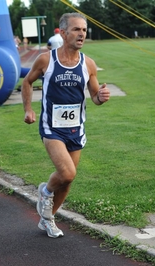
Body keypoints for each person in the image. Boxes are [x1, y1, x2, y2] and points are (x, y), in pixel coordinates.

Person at [21, 13, 110, 238]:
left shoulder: (88, 64)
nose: (82, 34)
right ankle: (45, 190)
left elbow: (95, 97)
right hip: (51, 127)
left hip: (76, 128)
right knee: (67, 172)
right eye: (76, 29)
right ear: (62, 33)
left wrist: (101, 96)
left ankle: (48, 219)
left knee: (68, 182)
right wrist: (28, 109)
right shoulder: (46, 60)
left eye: (84, 30)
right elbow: (27, 82)